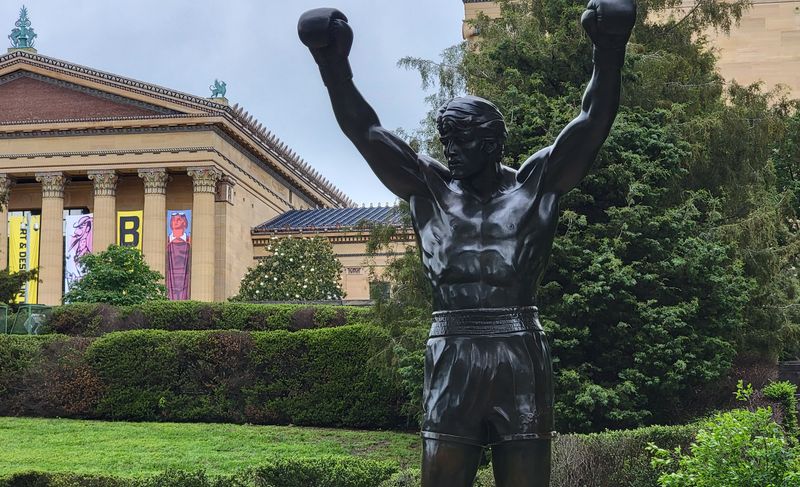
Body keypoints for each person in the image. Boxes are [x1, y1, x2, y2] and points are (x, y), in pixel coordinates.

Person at [299, 1, 635, 485]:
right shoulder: (429, 189)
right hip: (452, 348)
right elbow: (366, 132)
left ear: (494, 142)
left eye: (463, 140)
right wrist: (332, 65)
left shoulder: (535, 187)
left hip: (518, 348)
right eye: (446, 139)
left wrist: (609, 50)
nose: (451, 149)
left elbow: (590, 124)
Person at [166, 212, 191, 300]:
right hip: (171, 276)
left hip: (184, 277)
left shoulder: (189, 241)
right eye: (173, 220)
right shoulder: (166, 241)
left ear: (184, 222)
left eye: (178, 220)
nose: (175, 222)